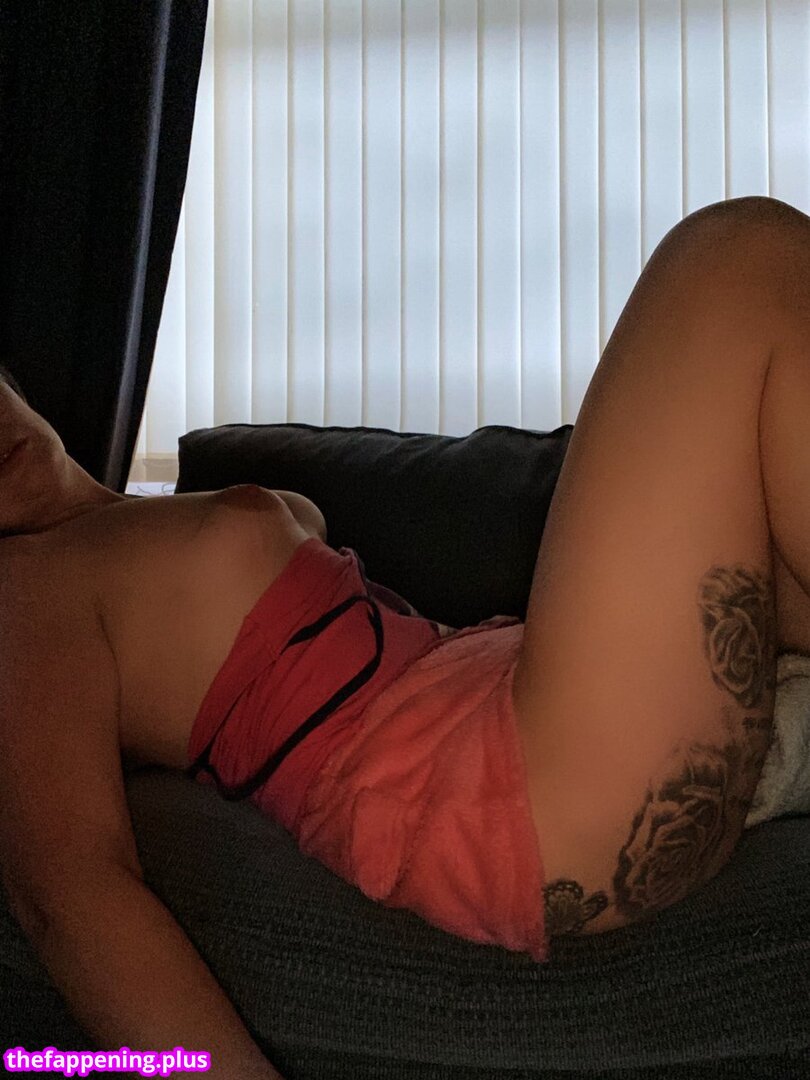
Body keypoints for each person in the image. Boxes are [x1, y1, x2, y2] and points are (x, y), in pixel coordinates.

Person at [2, 193, 810, 1072]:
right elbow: (67, 896)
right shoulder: (25, 593)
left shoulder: (123, 527)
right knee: (732, 259)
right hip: (503, 793)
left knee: (761, 469)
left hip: (518, 719)